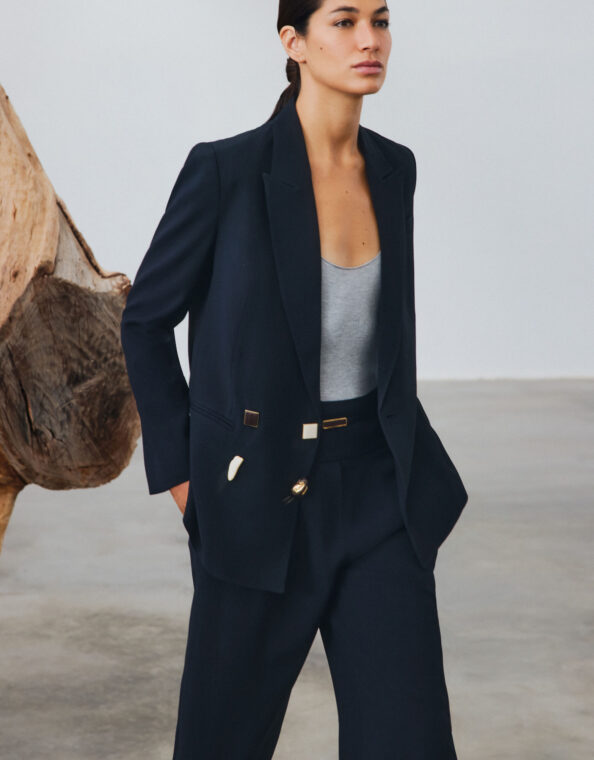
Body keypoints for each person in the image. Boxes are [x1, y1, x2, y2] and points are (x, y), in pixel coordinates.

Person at [120, 1, 469, 757]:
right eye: (343, 21)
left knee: (409, 741)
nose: (370, 39)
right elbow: (143, 322)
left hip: (379, 488)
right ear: (294, 42)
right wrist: (185, 478)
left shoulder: (395, 169)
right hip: (256, 494)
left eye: (380, 20)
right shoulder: (226, 171)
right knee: (223, 741)